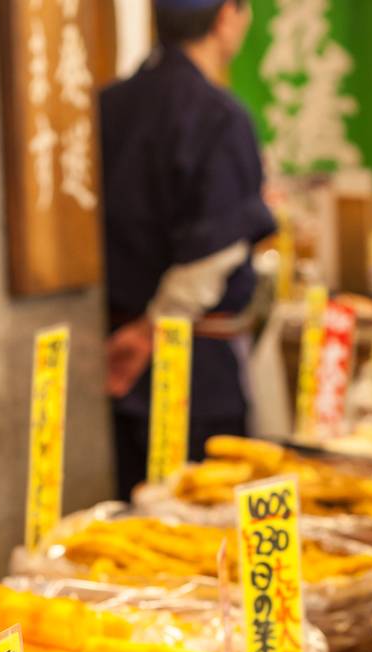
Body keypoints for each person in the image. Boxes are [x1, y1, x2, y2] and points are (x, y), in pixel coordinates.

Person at [99, 0, 277, 499]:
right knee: (202, 525)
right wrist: (151, 330)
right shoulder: (221, 115)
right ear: (225, 17)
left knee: (134, 516)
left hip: (116, 359)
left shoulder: (108, 105)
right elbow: (213, 251)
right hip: (189, 365)